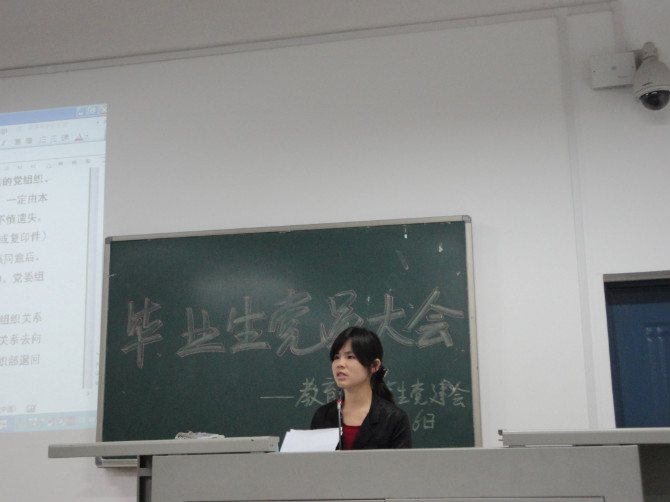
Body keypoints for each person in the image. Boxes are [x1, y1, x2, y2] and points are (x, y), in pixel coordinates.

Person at [310, 327, 412, 449]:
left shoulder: (393, 418)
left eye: (350, 357)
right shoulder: (323, 416)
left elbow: (401, 461)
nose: (340, 364)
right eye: (336, 357)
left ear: (374, 365)